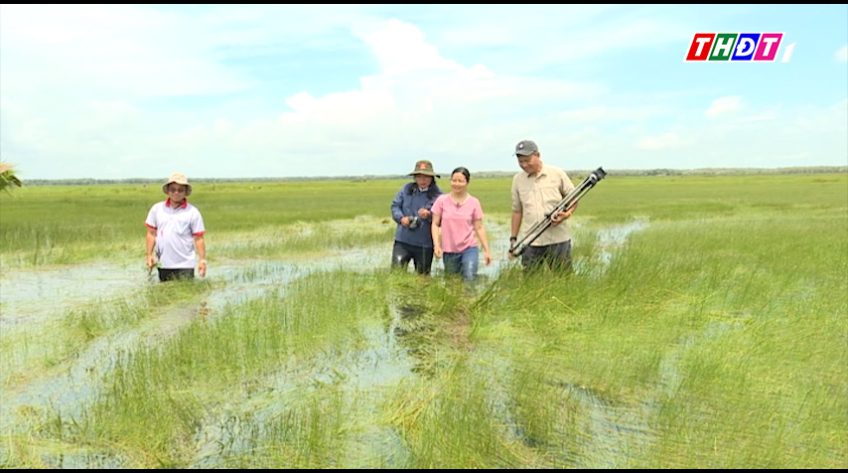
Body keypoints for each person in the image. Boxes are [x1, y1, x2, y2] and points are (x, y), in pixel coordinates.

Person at [510, 139, 577, 271]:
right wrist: (513, 239)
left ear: (538, 155)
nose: (524, 165)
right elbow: (517, 211)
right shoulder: (517, 180)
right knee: (531, 282)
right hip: (531, 241)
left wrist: (566, 214)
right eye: (520, 161)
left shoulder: (556, 173)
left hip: (558, 239)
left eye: (527, 160)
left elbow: (574, 199)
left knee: (564, 281)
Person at [431, 167, 492, 281]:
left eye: (461, 181)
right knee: (452, 282)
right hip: (449, 251)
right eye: (454, 180)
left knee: (469, 277)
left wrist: (487, 251)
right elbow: (435, 224)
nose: (457, 184)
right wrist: (437, 245)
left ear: (467, 182)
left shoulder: (474, 202)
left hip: (469, 248)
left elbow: (479, 228)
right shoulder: (441, 201)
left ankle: (470, 298)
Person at [145, 172, 207, 282]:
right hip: (163, 264)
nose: (176, 193)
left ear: (185, 192)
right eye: (173, 189)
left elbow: (199, 238)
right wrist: (149, 255)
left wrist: (202, 260)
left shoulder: (193, 212)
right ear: (168, 191)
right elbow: (151, 233)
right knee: (164, 295)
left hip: (185, 264)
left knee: (187, 296)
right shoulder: (157, 209)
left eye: (180, 190)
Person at [391, 160, 443, 274]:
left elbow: (442, 218)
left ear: (432, 178)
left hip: (425, 244)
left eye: (426, 177)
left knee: (422, 277)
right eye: (419, 177)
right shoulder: (406, 189)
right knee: (396, 274)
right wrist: (401, 219)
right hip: (403, 241)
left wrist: (429, 215)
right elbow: (395, 206)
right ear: (414, 178)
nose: (422, 180)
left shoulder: (438, 196)